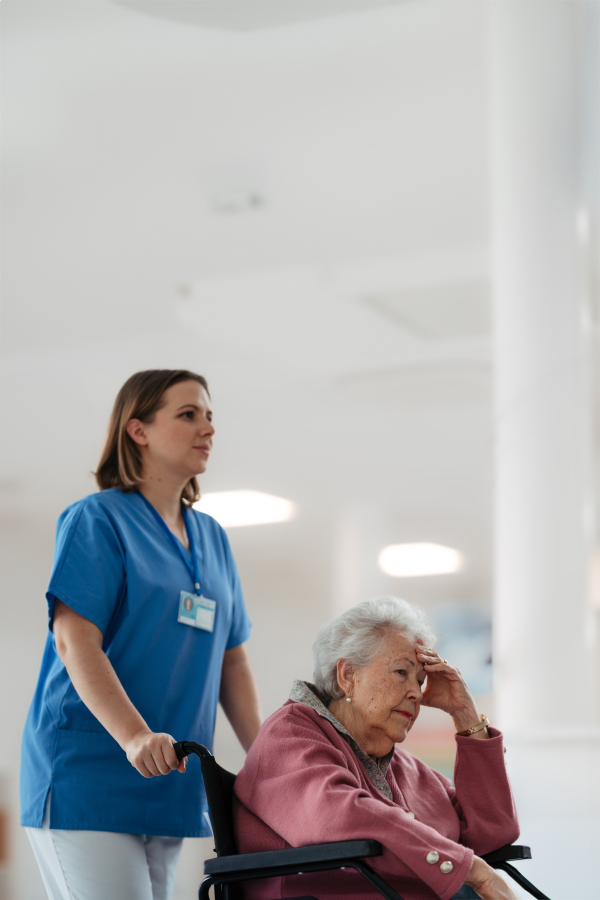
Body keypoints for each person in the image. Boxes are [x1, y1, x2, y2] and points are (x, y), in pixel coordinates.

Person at [20, 369, 262, 900]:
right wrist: (133, 736)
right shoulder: (97, 520)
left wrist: (268, 757)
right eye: (188, 414)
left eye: (210, 416)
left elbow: (233, 662)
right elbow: (73, 641)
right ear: (138, 431)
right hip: (90, 774)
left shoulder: (213, 538)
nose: (208, 428)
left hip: (168, 779)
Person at [234, 597, 519, 900]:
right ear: (348, 676)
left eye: (421, 681)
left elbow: (493, 832)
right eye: (401, 672)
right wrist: (470, 869)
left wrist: (466, 715)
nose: (415, 693)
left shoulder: (406, 767)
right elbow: (339, 816)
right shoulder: (288, 738)